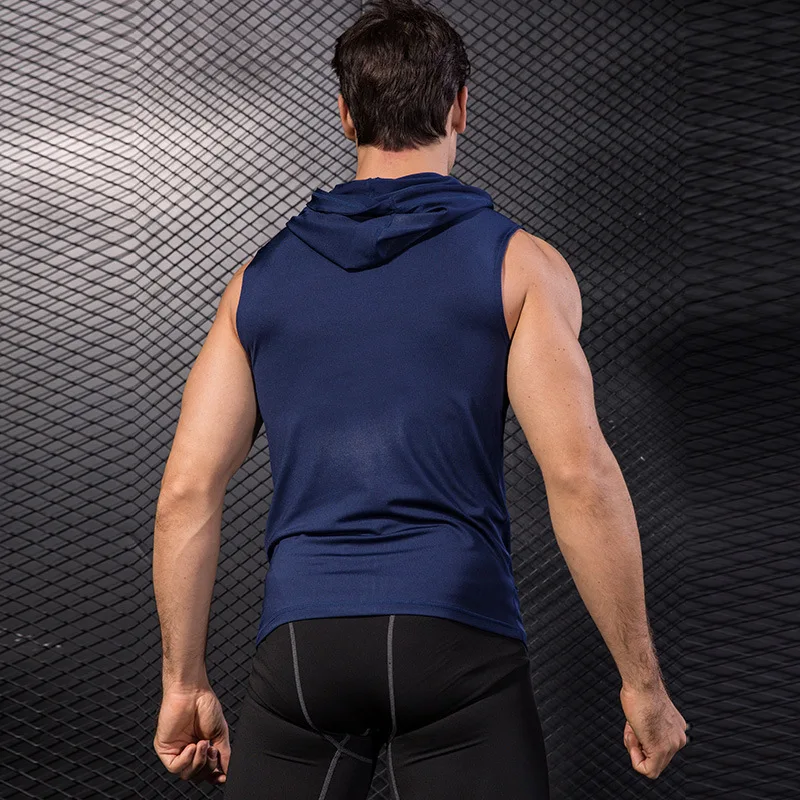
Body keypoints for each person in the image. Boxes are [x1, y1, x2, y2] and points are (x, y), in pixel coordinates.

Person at [151, 0, 688, 797]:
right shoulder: (520, 266)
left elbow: (186, 493)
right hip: (457, 638)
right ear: (460, 106)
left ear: (345, 115)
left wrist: (184, 683)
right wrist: (642, 683)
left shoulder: (256, 283)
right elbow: (579, 475)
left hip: (305, 647)